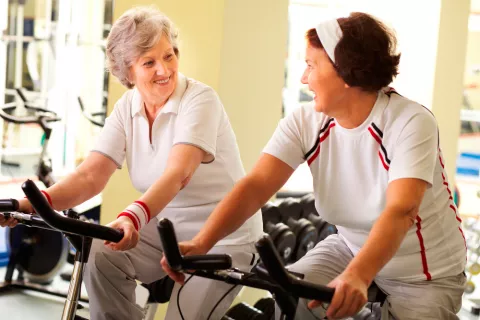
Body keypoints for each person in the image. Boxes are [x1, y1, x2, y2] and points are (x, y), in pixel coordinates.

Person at [162, 12, 467, 320]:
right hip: (350, 248)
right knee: (291, 298)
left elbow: (401, 210)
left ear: (346, 73)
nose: (303, 79)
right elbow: (256, 187)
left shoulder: (410, 122)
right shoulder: (306, 121)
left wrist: (359, 275)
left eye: (310, 65)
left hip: (423, 274)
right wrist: (203, 243)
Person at [0, 6, 263, 320]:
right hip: (165, 227)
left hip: (225, 234)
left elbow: (178, 173)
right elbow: (89, 176)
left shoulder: (200, 100)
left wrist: (132, 218)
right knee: (100, 255)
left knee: (183, 314)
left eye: (169, 56)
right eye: (149, 62)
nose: (164, 70)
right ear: (127, 71)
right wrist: (27, 204)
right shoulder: (128, 107)